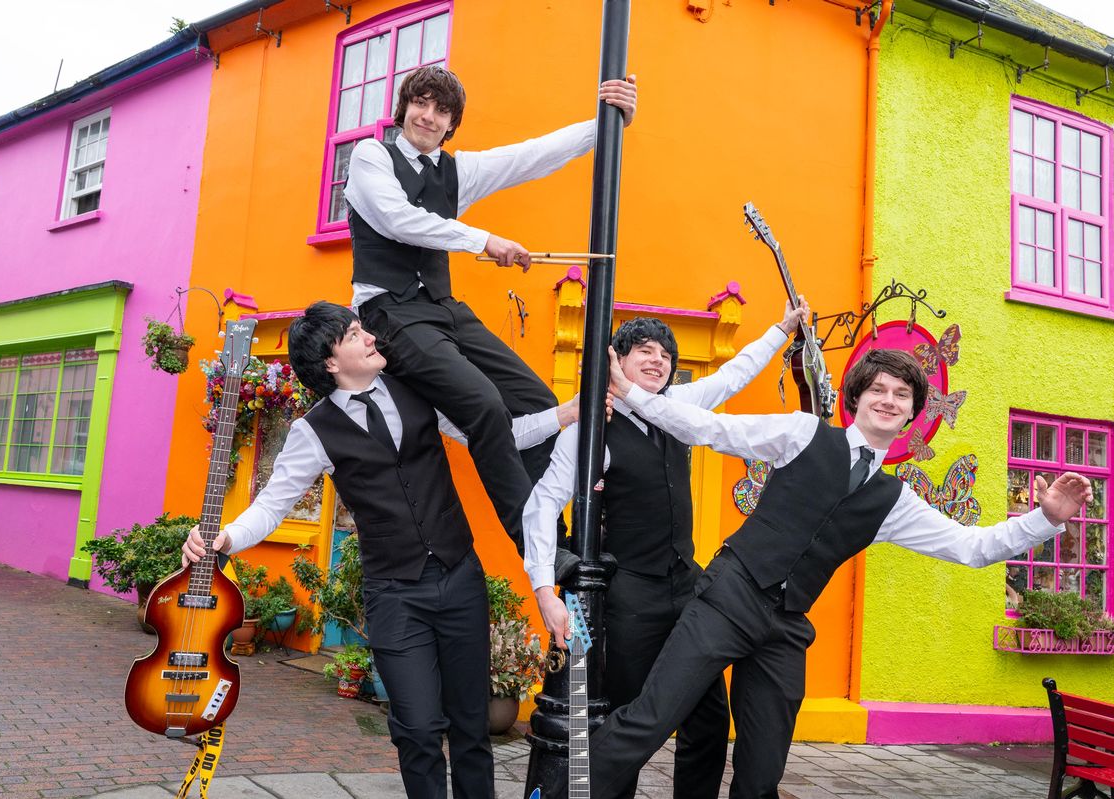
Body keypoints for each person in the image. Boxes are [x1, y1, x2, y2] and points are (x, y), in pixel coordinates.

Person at [571, 299, 1092, 799]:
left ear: (912, 413)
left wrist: (1044, 519)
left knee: (762, 769)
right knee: (648, 720)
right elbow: (709, 428)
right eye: (878, 390)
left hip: (785, 626)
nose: (888, 400)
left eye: (901, 395)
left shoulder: (895, 499)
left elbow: (972, 547)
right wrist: (633, 396)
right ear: (857, 398)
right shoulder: (802, 434)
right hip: (729, 597)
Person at [181, 302, 578, 799]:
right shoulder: (313, 430)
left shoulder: (419, 390)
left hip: (459, 578)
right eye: (353, 334)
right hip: (394, 594)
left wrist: (567, 412)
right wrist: (223, 538)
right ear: (330, 362)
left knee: (472, 727)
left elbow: (497, 434)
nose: (369, 337)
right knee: (415, 730)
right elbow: (272, 504)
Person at [343, 65, 638, 554]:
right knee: (483, 406)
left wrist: (608, 123)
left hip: (443, 309)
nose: (429, 117)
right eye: (422, 104)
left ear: (452, 123)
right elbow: (397, 220)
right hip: (390, 313)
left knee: (537, 400)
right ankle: (537, 546)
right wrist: (483, 239)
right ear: (404, 107)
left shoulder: (454, 173)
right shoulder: (372, 156)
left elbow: (530, 157)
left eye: (443, 111)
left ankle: (567, 531)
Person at [523, 305, 804, 799]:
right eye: (644, 352)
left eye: (665, 354)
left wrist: (780, 329)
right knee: (627, 722)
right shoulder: (593, 427)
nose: (657, 361)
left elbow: (734, 376)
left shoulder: (677, 406)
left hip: (688, 588)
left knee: (709, 717)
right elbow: (543, 505)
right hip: (630, 596)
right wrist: (545, 590)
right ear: (617, 362)